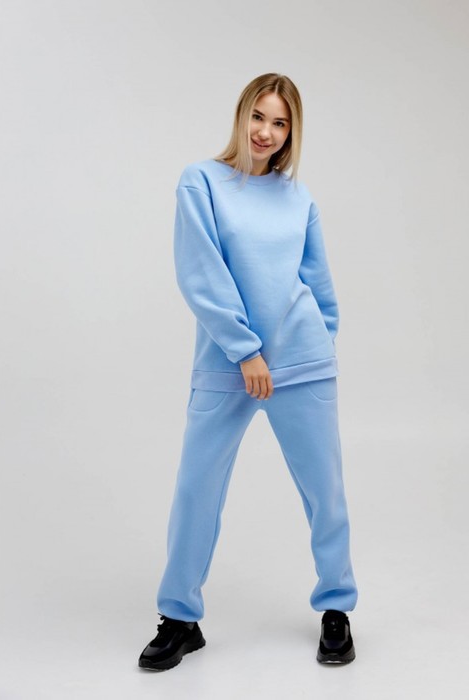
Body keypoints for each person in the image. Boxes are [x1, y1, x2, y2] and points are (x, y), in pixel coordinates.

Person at [138, 73, 358, 671]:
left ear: (292, 132)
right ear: (241, 115)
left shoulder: (298, 198)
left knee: (325, 491)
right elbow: (200, 271)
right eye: (259, 116)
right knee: (197, 489)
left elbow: (318, 282)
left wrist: (317, 344)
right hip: (229, 364)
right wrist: (245, 350)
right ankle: (180, 618)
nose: (266, 132)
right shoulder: (201, 181)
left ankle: (336, 608)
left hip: (303, 363)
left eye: (280, 123)